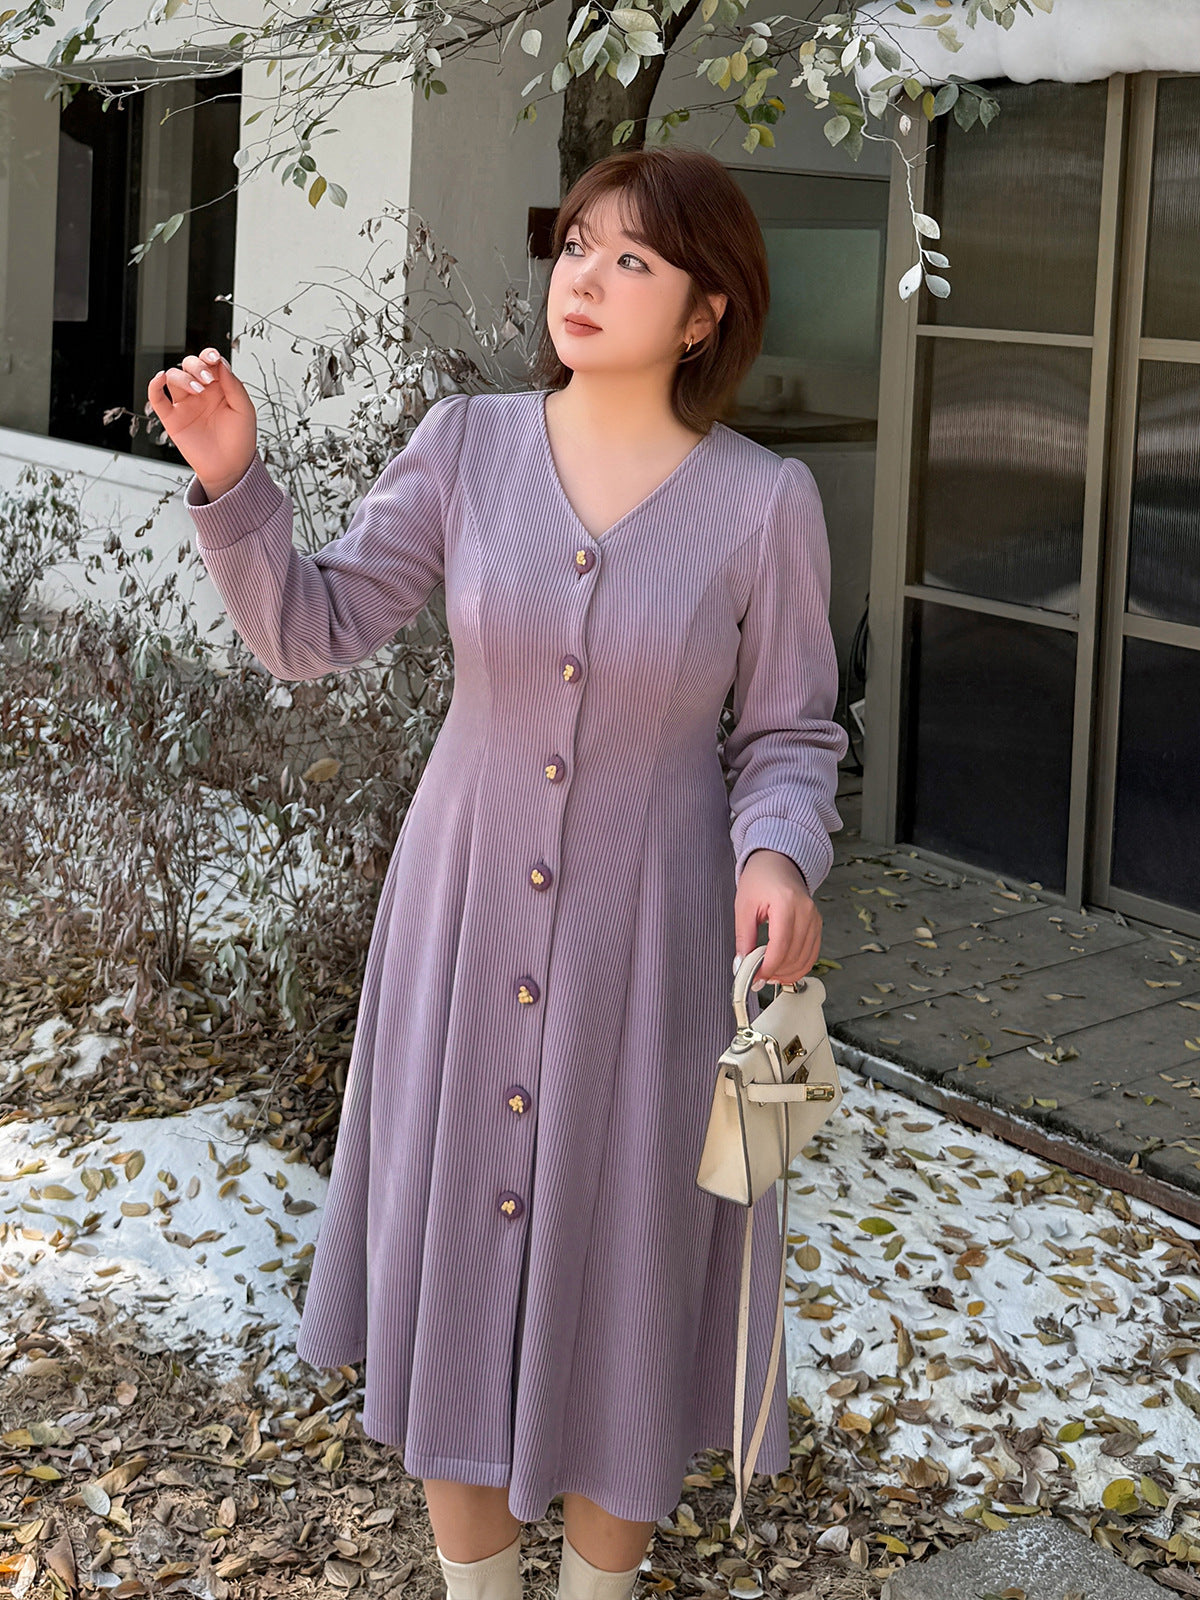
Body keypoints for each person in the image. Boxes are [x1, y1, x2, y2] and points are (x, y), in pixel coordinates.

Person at [147, 144, 848, 1600]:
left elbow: (789, 729)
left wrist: (780, 852)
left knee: (630, 1268)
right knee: (456, 1259)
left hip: (653, 950)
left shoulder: (763, 504)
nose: (584, 278)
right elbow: (314, 629)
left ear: (707, 311)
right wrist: (232, 480)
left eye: (633, 260)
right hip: (461, 927)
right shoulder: (467, 448)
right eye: (577, 245)